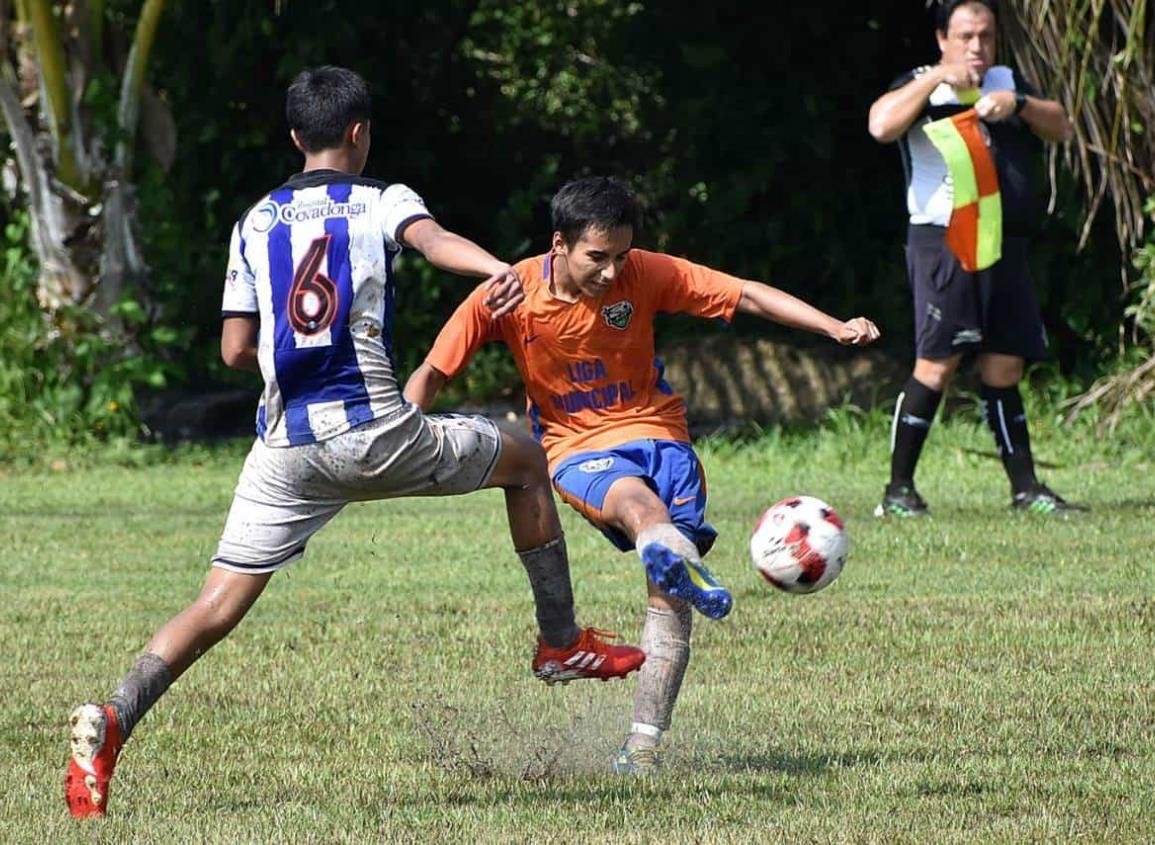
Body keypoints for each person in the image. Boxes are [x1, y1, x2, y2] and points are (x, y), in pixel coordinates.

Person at [64, 67, 645, 819]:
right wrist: (501, 270)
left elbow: (236, 348)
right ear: (361, 133)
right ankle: (560, 640)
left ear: (297, 138)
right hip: (373, 430)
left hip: (285, 450)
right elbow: (432, 242)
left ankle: (113, 718)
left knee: (213, 606)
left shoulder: (254, 221)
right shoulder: (382, 198)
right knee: (526, 458)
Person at [404, 176, 879, 775]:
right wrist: (400, 441)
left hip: (662, 437)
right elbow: (432, 370)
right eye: (596, 258)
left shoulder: (645, 273)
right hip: (577, 447)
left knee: (669, 593)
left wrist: (832, 326)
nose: (611, 272)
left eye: (621, 256)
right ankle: (667, 551)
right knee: (637, 507)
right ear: (559, 244)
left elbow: (746, 295)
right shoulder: (509, 292)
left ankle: (644, 746)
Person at [867, 0, 1079, 517]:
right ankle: (898, 491)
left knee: (1004, 363)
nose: (977, 47)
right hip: (943, 241)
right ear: (942, 38)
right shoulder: (922, 81)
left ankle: (1026, 489)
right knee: (937, 364)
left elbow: (1063, 127)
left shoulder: (1007, 81)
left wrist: (1019, 105)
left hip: (1003, 242)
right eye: (965, 36)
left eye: (985, 36)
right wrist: (940, 75)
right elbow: (881, 125)